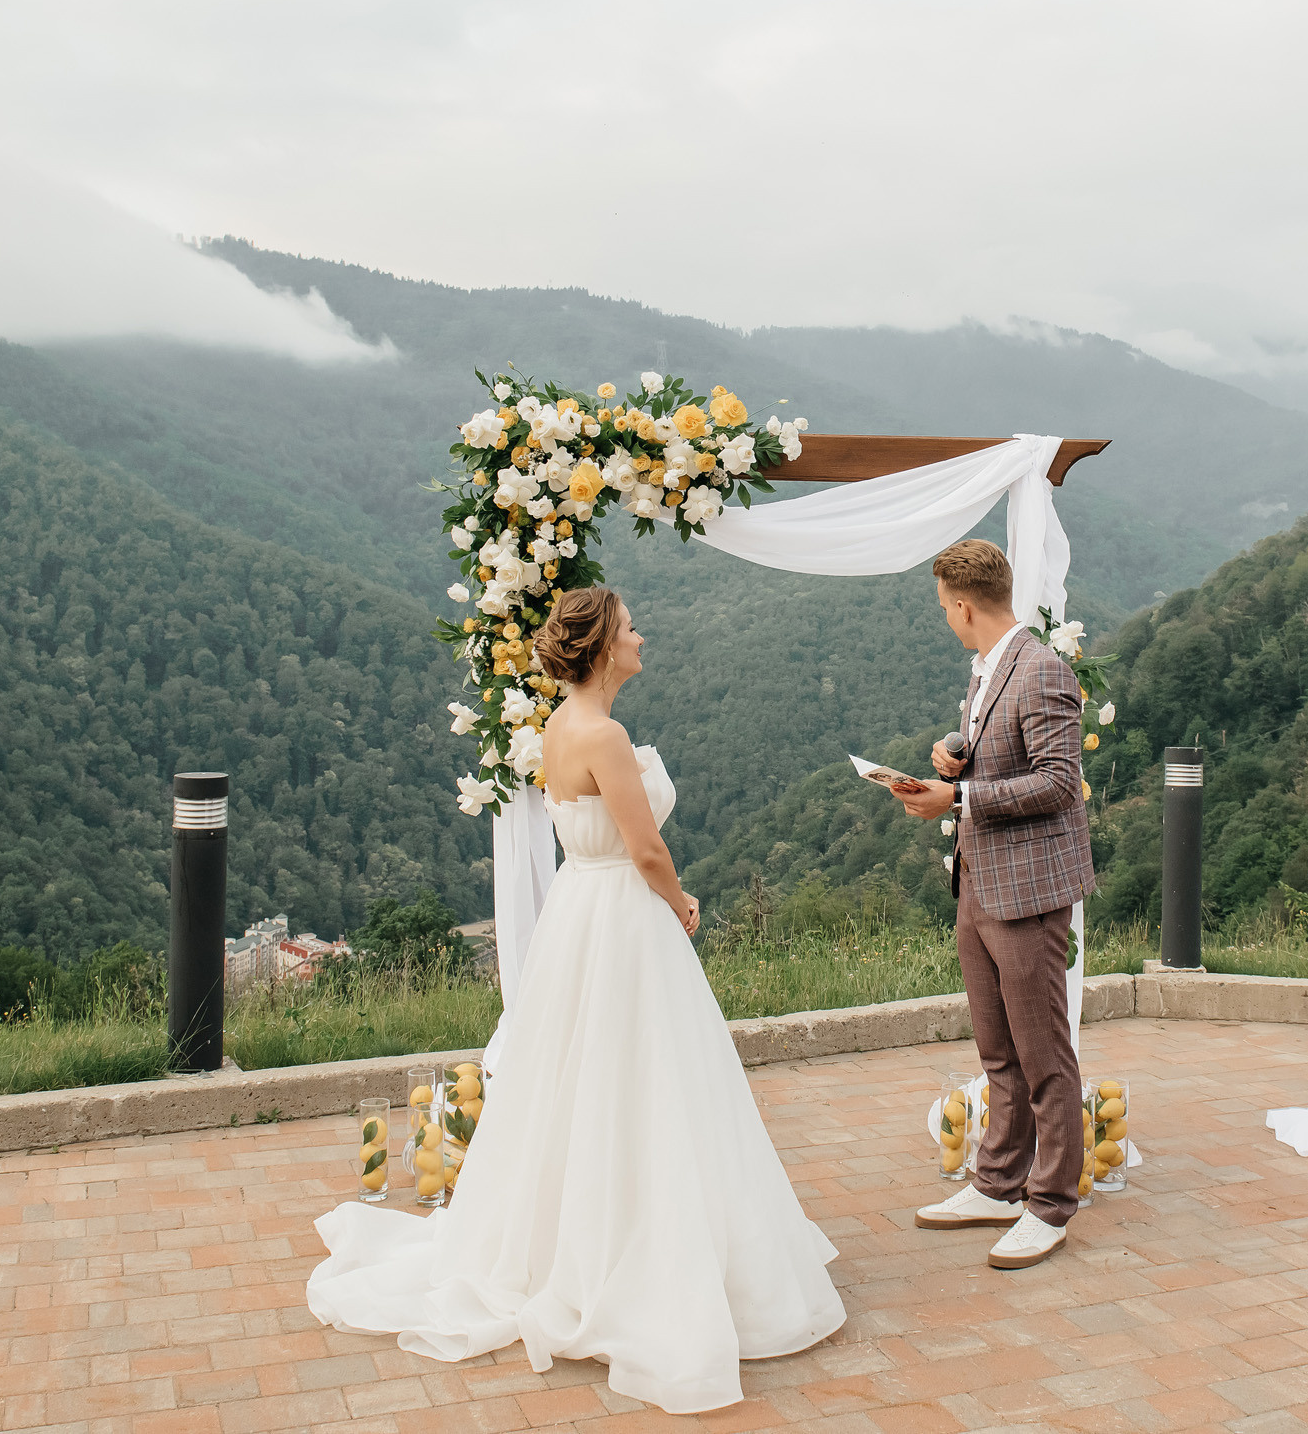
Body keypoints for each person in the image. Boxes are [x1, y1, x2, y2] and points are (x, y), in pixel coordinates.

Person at [308, 586, 844, 1413]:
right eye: (631, 628)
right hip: (626, 917)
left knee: (582, 1080)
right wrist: (684, 903)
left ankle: (576, 1237)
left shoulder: (559, 727)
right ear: (601, 648)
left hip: (579, 914)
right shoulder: (605, 734)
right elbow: (647, 849)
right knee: (652, 1079)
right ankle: (643, 1252)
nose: (641, 636)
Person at [890, 540, 1094, 1270]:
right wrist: (955, 753)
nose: (944, 617)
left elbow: (1058, 784)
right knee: (998, 1050)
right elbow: (1000, 748)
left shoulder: (1042, 669)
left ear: (962, 606)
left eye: (943, 607)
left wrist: (961, 795)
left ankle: (1050, 1205)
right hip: (978, 882)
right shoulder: (990, 667)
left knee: (1044, 1056)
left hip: (1028, 892)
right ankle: (998, 1183)